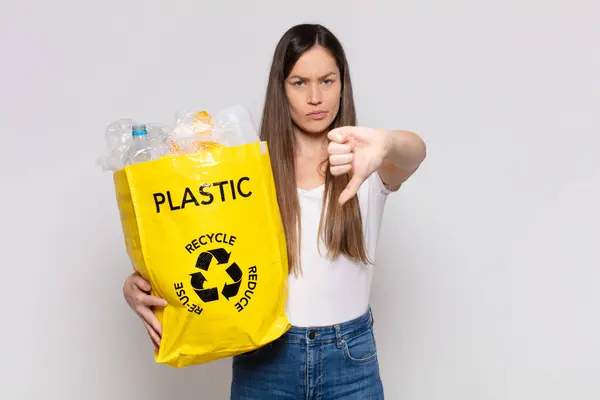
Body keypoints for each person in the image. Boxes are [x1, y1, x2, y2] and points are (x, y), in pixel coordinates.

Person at [122, 23, 426, 399]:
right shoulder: (249, 171)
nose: (315, 97)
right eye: (299, 83)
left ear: (343, 85)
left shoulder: (365, 161)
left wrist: (386, 141)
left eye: (327, 81)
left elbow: (415, 152)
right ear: (280, 89)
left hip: (350, 361)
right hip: (267, 361)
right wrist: (141, 284)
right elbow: (201, 240)